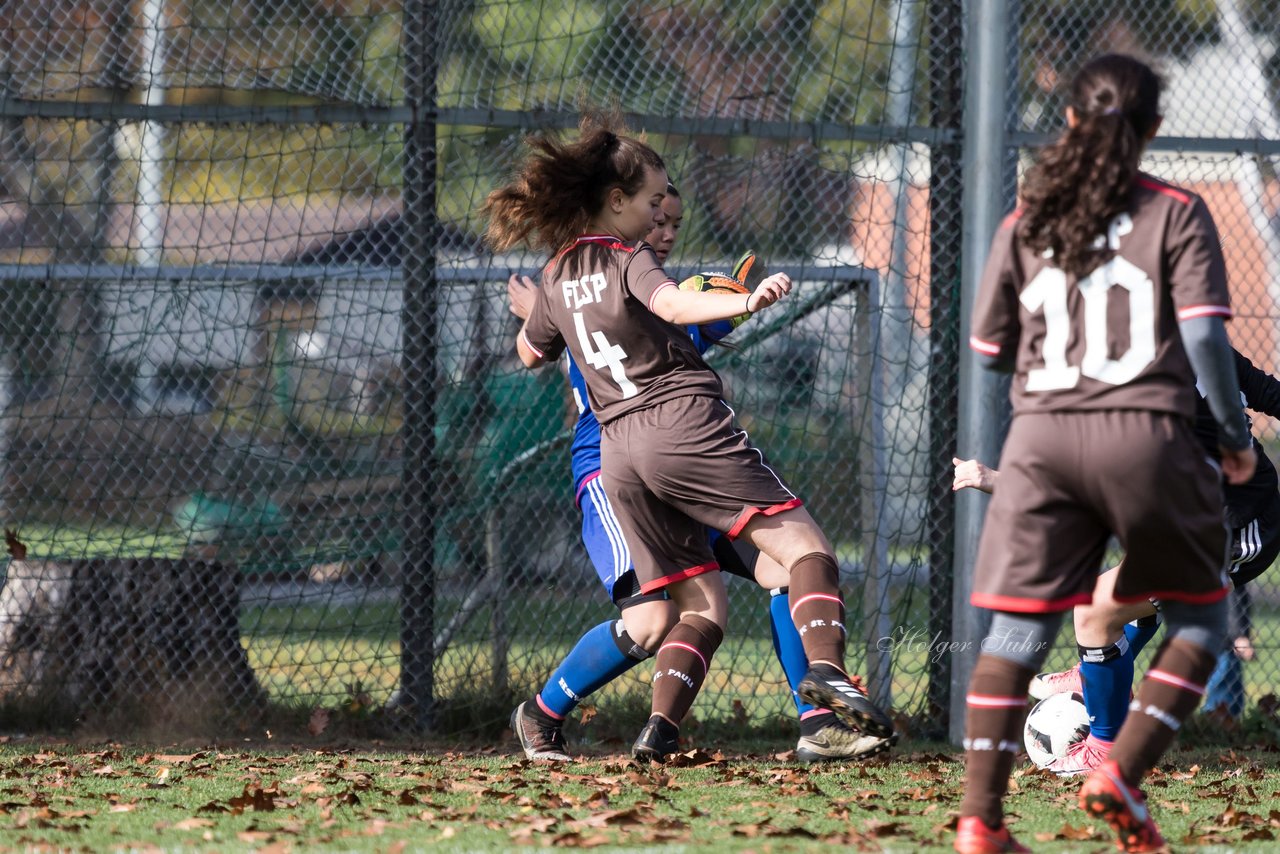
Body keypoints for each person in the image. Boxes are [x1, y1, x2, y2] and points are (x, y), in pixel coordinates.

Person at [483, 113, 894, 763]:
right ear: (617, 203)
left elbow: (547, 348)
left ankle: (795, 722)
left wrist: (540, 315)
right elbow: (668, 318)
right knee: (720, 587)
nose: (662, 227)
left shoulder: (563, 273)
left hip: (633, 455)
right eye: (655, 210)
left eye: (671, 219)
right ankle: (542, 712)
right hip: (643, 446)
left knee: (744, 588)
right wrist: (740, 303)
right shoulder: (632, 264)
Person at [952, 54, 1256, 854]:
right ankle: (1118, 771)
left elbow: (988, 349)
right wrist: (1231, 437)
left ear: (1073, 123)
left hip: (1042, 439)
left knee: (1017, 634)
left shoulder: (1028, 219)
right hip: (1145, 439)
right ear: (1153, 129)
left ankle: (981, 823)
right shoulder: (1177, 210)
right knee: (1201, 618)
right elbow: (1204, 339)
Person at [954, 347, 1280, 776]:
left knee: (1092, 610)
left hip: (1234, 533)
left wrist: (997, 481)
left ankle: (1106, 746)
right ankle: (1097, 675)